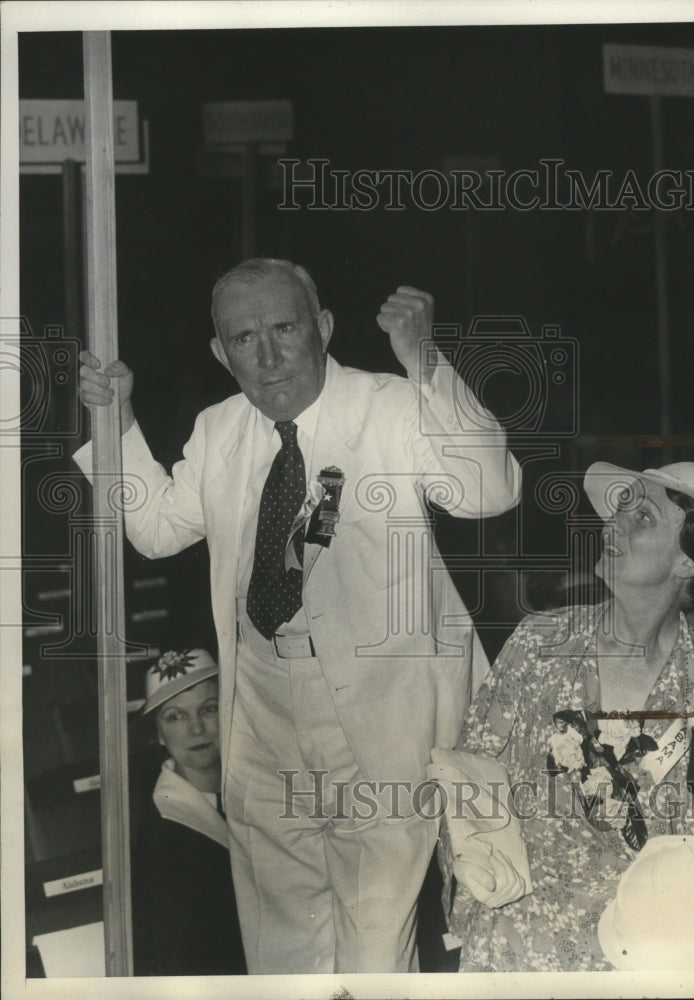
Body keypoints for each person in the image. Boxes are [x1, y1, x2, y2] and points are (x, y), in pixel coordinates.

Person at [76, 258, 521, 973]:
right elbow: (157, 530)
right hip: (261, 722)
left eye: (284, 328)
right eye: (244, 338)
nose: (269, 355)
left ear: (322, 328)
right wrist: (115, 421)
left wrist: (425, 360)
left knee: (374, 952)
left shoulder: (389, 403)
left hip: (383, 724)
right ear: (222, 354)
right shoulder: (220, 428)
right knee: (284, 950)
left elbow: (488, 491)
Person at [440, 461, 694, 972]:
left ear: (686, 564)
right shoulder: (541, 642)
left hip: (654, 949)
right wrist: (475, 855)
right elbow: (469, 770)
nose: (613, 524)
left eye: (642, 517)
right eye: (619, 509)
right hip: (522, 935)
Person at [131, 648, 246, 976]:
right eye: (175, 716)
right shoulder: (163, 829)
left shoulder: (265, 788)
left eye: (208, 709)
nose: (196, 729)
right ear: (158, 735)